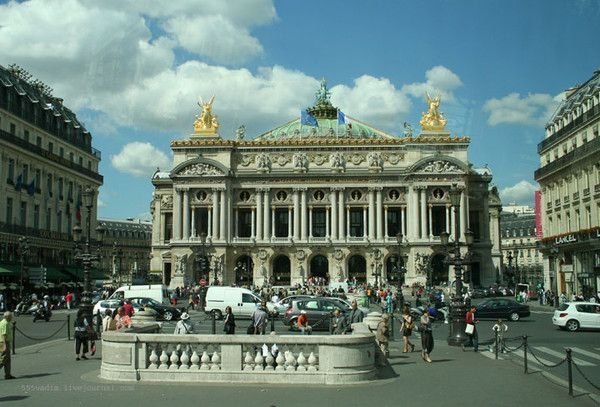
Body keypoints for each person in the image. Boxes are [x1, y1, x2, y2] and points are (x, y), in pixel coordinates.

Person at [0, 311, 15, 379]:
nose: (11, 317)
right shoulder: (5, 323)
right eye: (10, 316)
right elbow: (4, 335)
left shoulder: (5, 322)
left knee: (7, 359)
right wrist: (5, 345)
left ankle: (8, 374)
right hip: (4, 342)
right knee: (3, 359)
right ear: (7, 317)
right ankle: (7, 374)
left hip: (4, 342)